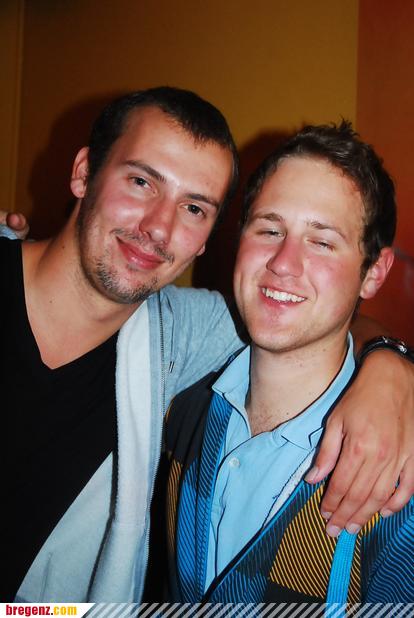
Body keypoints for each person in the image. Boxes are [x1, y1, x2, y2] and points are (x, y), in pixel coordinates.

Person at [2, 89, 413, 603]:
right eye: (140, 181)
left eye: (194, 208)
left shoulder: (180, 340)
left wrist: (392, 364)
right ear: (84, 173)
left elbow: (319, 317)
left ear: (207, 239)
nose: (158, 226)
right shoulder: (193, 398)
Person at [165, 122, 414, 603]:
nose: (283, 262)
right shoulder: (178, 405)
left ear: (374, 272)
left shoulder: (395, 489)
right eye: (270, 229)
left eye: (322, 241)